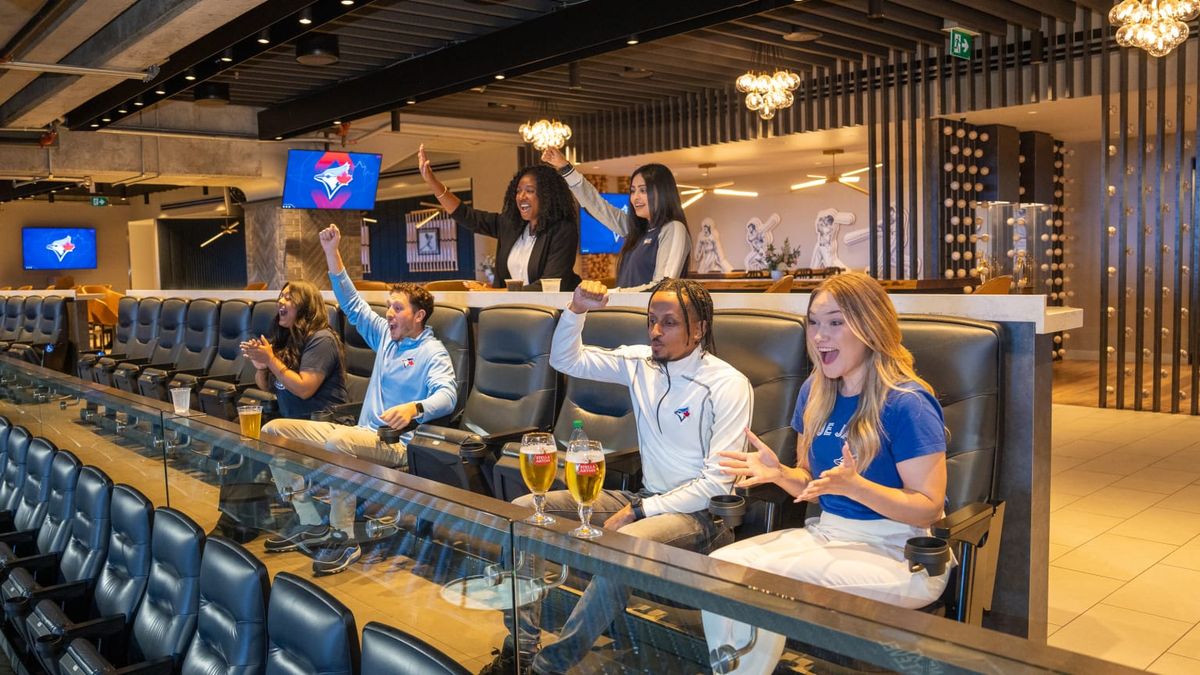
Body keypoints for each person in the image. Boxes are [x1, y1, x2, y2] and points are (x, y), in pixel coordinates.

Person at [484, 278, 753, 675]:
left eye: (670, 323)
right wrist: (576, 310)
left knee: (623, 544)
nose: (656, 332)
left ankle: (548, 667)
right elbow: (565, 360)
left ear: (699, 329)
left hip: (700, 520)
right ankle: (521, 651)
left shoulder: (728, 385)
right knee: (524, 512)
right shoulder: (640, 362)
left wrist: (641, 511)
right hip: (645, 499)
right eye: (651, 321)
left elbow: (717, 486)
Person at [702, 272, 950, 675]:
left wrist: (858, 487)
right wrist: (780, 473)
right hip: (829, 535)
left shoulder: (908, 403)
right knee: (719, 567)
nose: (819, 336)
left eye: (835, 322)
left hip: (899, 553)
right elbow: (814, 485)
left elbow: (928, 508)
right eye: (814, 323)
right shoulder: (815, 392)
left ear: (871, 325)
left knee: (757, 579)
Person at [260, 224, 458, 576]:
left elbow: (448, 395)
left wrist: (416, 408)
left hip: (397, 445)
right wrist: (332, 252)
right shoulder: (385, 336)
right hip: (361, 434)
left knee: (338, 438)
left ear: (419, 316)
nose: (389, 314)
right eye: (389, 307)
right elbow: (351, 303)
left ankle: (344, 535)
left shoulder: (433, 351)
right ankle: (311, 521)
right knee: (273, 430)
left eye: (398, 309)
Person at [418, 143, 581, 292]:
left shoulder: (563, 230)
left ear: (547, 196)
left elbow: (549, 286)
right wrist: (432, 182)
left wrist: (494, 293)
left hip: (551, 314)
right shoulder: (511, 225)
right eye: (518, 191)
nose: (521, 196)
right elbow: (466, 216)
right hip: (513, 311)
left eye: (529, 191)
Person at [542, 147, 690, 291]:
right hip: (627, 313)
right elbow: (597, 205)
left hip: (650, 315)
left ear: (663, 192)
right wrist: (565, 168)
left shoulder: (673, 228)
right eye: (633, 191)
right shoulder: (637, 229)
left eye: (643, 190)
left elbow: (663, 286)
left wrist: (615, 293)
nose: (635, 197)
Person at [240, 280, 348, 420]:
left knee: (271, 429)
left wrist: (271, 360)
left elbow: (304, 390)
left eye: (288, 298)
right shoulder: (287, 336)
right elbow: (269, 387)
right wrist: (262, 367)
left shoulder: (322, 339)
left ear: (306, 306)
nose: (280, 301)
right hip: (292, 422)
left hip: (325, 423)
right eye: (281, 296)